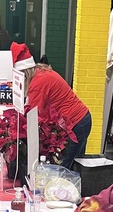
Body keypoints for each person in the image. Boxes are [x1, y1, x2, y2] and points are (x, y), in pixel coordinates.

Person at [11, 42, 91, 170]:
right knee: (72, 166)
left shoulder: (37, 84)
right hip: (79, 120)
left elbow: (33, 119)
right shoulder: (39, 72)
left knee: (63, 169)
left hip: (76, 123)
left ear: (23, 74)